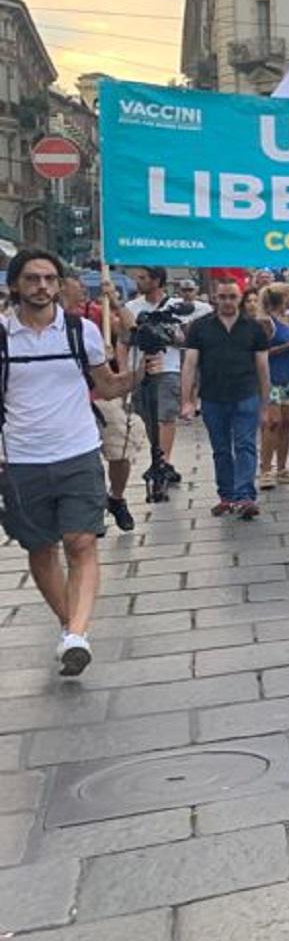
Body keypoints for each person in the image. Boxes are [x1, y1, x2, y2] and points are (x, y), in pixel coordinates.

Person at [2, 251, 149, 675]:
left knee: (80, 542)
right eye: (32, 279)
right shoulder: (2, 336)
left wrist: (140, 373)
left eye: (49, 278)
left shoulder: (79, 331)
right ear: (16, 285)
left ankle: (78, 633)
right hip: (21, 458)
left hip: (78, 450)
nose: (42, 286)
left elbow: (105, 386)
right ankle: (70, 628)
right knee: (39, 545)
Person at [179, 278, 272, 519]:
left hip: (245, 394)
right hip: (212, 396)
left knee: (245, 446)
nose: (228, 302)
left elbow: (263, 367)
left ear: (240, 298)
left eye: (232, 296)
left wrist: (265, 402)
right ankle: (227, 495)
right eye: (223, 297)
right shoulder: (200, 327)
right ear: (215, 298)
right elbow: (190, 364)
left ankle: (245, 496)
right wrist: (187, 400)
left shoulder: (254, 328)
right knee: (220, 449)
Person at [60, 277, 139, 532]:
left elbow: (131, 331)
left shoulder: (94, 314)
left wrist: (115, 301)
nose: (83, 293)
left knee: (120, 450)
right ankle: (87, 510)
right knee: (82, 460)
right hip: (68, 404)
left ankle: (116, 497)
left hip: (101, 396)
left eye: (85, 289)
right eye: (78, 289)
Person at [127, 265, 206, 492]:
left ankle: (164, 461)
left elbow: (186, 339)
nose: (138, 282)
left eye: (142, 277)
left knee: (165, 417)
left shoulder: (175, 307)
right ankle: (157, 455)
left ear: (156, 280)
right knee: (148, 418)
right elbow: (124, 338)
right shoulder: (132, 307)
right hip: (140, 369)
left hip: (168, 367)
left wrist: (171, 335)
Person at [260, 284, 289, 489]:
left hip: (288, 379)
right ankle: (265, 470)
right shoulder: (266, 322)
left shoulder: (287, 320)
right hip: (271, 380)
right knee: (272, 423)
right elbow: (261, 353)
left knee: (286, 423)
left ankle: (282, 467)